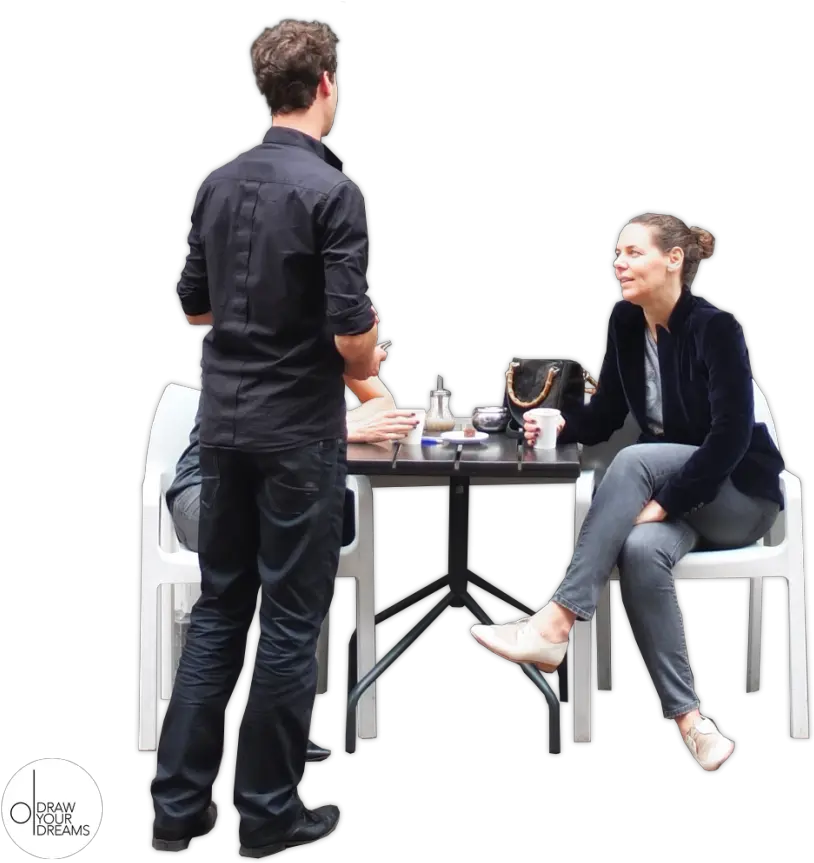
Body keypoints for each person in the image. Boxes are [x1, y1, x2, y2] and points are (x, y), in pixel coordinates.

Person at [151, 19, 387, 857]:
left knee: (221, 611)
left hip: (223, 430)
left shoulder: (217, 184)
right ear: (326, 84)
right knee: (289, 624)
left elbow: (194, 307)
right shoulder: (335, 191)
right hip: (296, 436)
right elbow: (351, 336)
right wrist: (365, 347)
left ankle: (177, 811)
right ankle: (268, 814)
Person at [470, 213, 784, 773]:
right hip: (686, 497)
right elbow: (608, 414)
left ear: (674, 260)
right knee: (639, 551)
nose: (618, 263)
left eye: (634, 252)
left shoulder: (716, 328)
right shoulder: (626, 321)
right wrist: (564, 424)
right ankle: (692, 721)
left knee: (635, 459)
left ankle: (555, 622)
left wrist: (665, 502)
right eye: (617, 253)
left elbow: (732, 437)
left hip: (738, 497)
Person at [165, 374, 416, 765]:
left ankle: (274, 739)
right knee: (263, 598)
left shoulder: (320, 353)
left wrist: (337, 413)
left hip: (271, 491)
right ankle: (258, 751)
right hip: (207, 492)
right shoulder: (256, 356)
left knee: (290, 578)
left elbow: (384, 407)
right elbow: (258, 435)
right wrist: (336, 430)